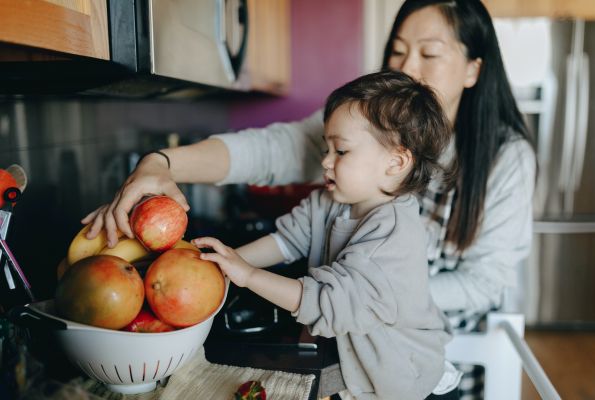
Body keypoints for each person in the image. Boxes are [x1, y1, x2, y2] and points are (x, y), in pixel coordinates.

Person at [82, 0, 536, 397]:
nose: (406, 65)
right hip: (347, 340)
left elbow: (479, 282)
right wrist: (163, 165)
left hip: (413, 360)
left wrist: (381, 294)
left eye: (429, 53)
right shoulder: (352, 151)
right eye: (397, 49)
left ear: (474, 68)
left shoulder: (500, 160)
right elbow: (277, 166)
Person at [195, 70, 459, 400]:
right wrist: (223, 265)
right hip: (356, 362)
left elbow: (323, 302)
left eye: (342, 151)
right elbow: (287, 240)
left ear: (396, 162)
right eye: (326, 148)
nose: (326, 161)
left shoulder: (392, 238)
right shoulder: (329, 201)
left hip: (400, 380)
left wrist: (247, 275)